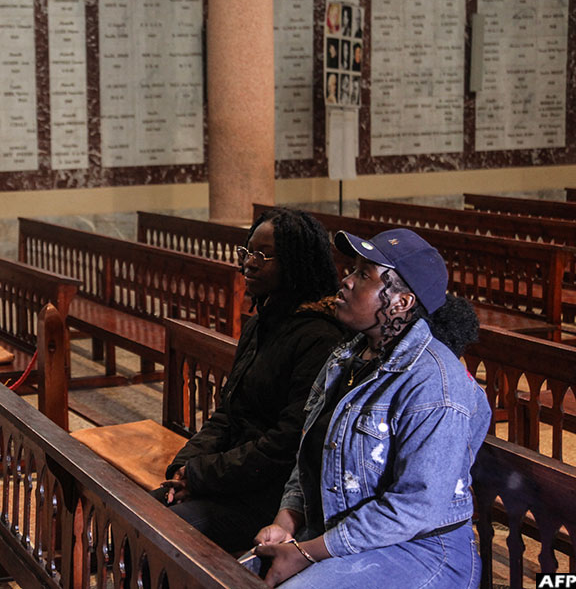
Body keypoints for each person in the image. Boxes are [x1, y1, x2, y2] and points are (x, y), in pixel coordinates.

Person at [253, 229, 490, 588]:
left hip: (421, 550)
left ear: (402, 301)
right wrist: (286, 522)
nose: (345, 281)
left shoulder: (433, 382)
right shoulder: (345, 357)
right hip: (343, 533)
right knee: (230, 576)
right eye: (352, 270)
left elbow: (415, 507)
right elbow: (310, 456)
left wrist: (307, 552)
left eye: (364, 274)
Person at [152, 208, 345, 553]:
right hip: (231, 478)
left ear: (296, 262)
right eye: (247, 252)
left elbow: (284, 445)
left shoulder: (319, 337)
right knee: (144, 506)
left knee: (165, 532)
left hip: (272, 497)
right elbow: (227, 412)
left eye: (263, 255)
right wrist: (185, 467)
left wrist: (201, 476)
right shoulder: (261, 322)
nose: (249, 263)